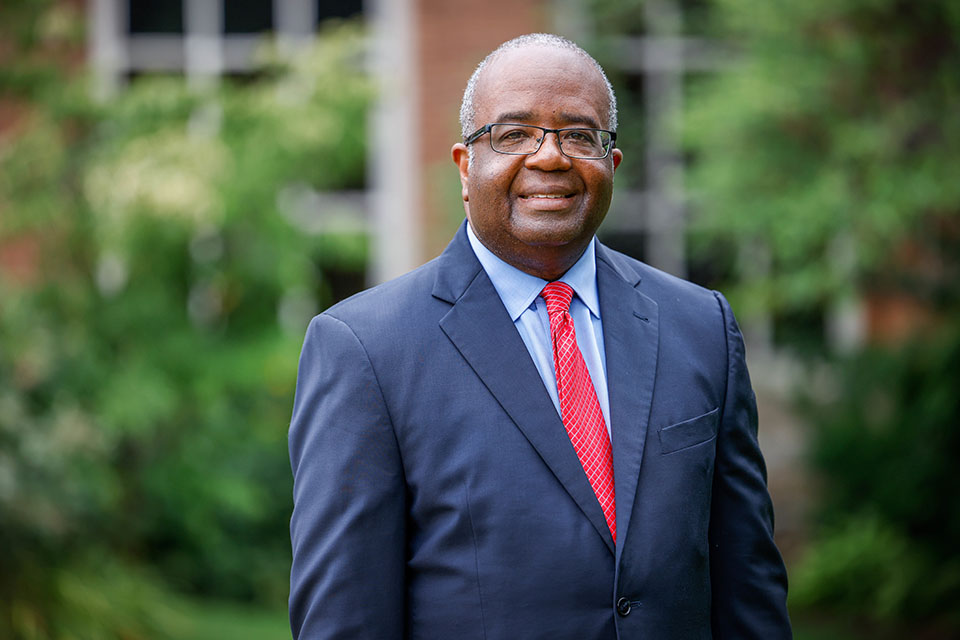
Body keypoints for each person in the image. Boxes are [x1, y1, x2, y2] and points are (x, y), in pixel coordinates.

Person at [288, 33, 791, 639]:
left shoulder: (701, 326)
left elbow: (750, 592)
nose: (550, 157)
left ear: (613, 164)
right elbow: (345, 623)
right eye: (514, 135)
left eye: (580, 135)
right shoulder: (365, 349)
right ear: (464, 166)